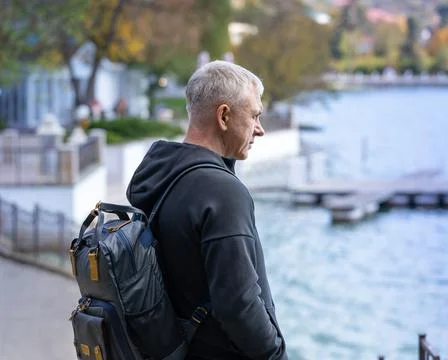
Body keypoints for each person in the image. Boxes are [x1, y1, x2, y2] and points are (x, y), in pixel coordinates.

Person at [126, 60, 288, 360]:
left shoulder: (163, 177)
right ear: (224, 115)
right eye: (254, 115)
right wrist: (275, 354)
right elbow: (238, 305)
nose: (260, 129)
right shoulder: (221, 192)